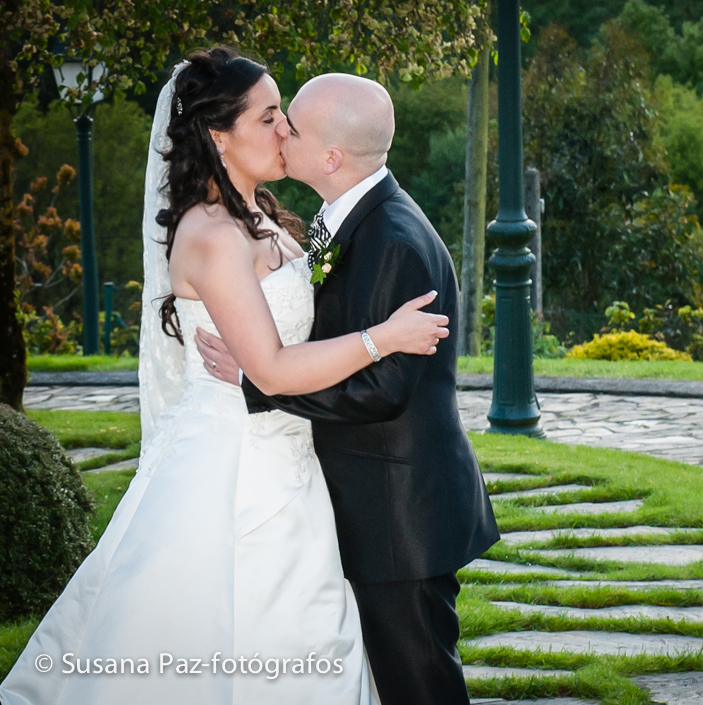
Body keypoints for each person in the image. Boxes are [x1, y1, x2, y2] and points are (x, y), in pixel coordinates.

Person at [0, 47, 450, 705]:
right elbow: (269, 365)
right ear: (217, 135)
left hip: (293, 462)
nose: (285, 132)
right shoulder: (211, 233)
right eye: (271, 117)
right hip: (235, 466)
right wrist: (384, 337)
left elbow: (288, 341)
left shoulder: (265, 216)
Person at [195, 71, 500, 705]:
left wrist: (262, 384)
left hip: (399, 509)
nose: (281, 130)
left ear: (331, 157)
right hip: (371, 496)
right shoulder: (347, 219)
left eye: (293, 126)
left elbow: (382, 391)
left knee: (419, 683)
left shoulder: (394, 240)